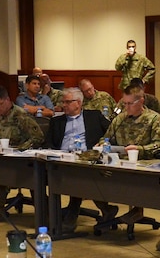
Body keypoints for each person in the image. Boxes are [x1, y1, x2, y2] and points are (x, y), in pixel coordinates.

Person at [46, 87, 116, 232]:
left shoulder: (94, 116)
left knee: (80, 173)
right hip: (63, 159)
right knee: (77, 174)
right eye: (63, 102)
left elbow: (111, 133)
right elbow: (48, 143)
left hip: (87, 158)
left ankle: (72, 214)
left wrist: (102, 144)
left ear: (78, 103)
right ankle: (106, 208)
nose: (63, 105)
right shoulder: (57, 121)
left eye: (67, 102)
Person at [102, 83, 160, 224]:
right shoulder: (120, 119)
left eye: (130, 103)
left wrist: (140, 149)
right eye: (124, 103)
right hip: (120, 164)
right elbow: (107, 138)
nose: (126, 107)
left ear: (141, 101)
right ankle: (107, 211)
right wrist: (101, 145)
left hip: (144, 165)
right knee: (92, 175)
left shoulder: (154, 119)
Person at [0, 86, 45, 223]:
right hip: (2, 156)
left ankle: (0, 206)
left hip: (22, 159)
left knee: (4, 168)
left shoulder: (20, 115)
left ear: (7, 100)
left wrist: (20, 150)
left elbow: (38, 137)